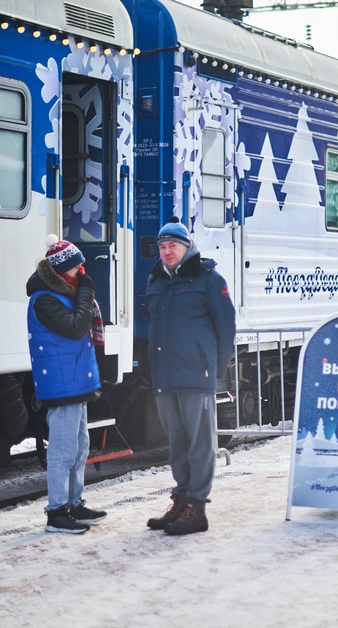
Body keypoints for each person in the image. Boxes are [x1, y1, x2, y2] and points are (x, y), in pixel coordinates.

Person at [145, 217, 236, 536]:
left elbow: (226, 327)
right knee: (177, 444)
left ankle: (197, 507)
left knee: (201, 443)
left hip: (197, 373)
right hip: (166, 375)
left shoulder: (208, 278)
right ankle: (182, 499)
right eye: (162, 246)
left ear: (187, 247)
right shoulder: (156, 280)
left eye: (172, 245)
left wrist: (215, 369)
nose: (167, 251)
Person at [26, 235, 108, 534]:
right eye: (77, 268)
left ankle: (73, 503)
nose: (82, 272)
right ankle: (57, 511)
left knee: (80, 446)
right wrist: (86, 292)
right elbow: (76, 328)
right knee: (63, 450)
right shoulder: (44, 299)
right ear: (63, 270)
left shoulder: (64, 294)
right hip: (61, 385)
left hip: (74, 382)